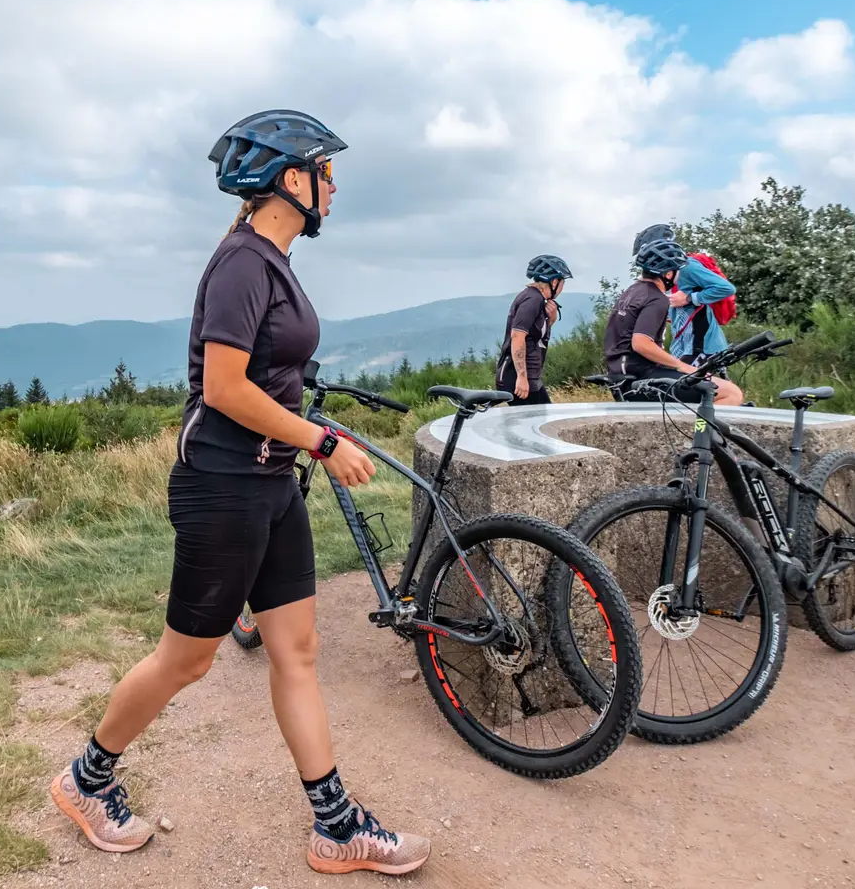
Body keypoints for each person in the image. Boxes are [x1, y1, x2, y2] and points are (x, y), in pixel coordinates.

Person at [49, 110, 429, 876]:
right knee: (184, 662)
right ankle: (85, 780)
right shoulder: (243, 263)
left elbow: (266, 365)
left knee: (297, 649)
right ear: (294, 180)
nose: (335, 184)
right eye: (327, 171)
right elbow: (223, 388)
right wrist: (321, 438)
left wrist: (298, 408)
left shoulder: (273, 261)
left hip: (270, 483)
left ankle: (336, 825)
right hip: (222, 488)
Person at [604, 233, 743, 405]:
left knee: (700, 384)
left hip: (622, 375)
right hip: (642, 378)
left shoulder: (632, 292)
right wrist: (681, 366)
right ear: (668, 273)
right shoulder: (656, 298)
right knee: (730, 393)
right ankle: (696, 432)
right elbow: (640, 343)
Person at [631, 223, 736, 367]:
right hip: (683, 346)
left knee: (685, 385)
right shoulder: (664, 273)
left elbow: (726, 288)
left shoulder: (687, 267)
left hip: (703, 345)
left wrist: (689, 298)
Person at [495, 254, 570, 406]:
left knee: (540, 421)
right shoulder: (533, 300)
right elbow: (517, 336)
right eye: (563, 282)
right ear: (554, 281)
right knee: (538, 424)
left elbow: (534, 336)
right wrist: (522, 377)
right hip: (518, 377)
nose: (563, 287)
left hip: (529, 376)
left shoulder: (537, 299)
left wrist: (551, 318)